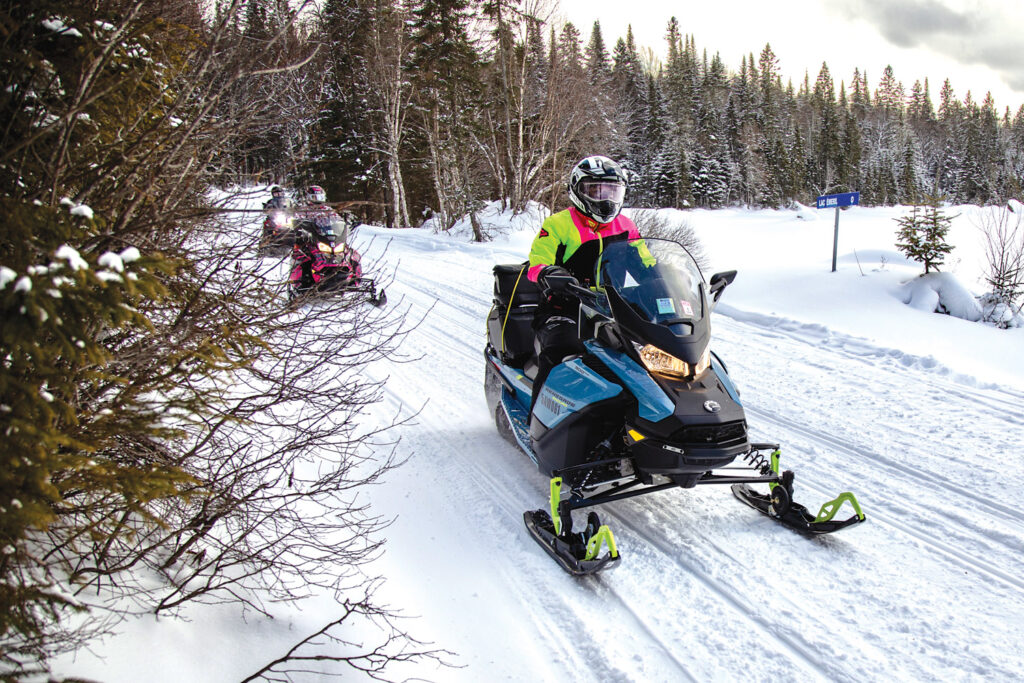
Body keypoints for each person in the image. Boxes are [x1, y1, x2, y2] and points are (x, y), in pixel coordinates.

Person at [526, 155, 640, 410]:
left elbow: (645, 264)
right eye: (595, 190)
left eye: (612, 190)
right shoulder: (558, 224)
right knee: (560, 351)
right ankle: (537, 422)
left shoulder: (625, 226)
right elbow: (536, 264)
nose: (605, 199)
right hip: (564, 308)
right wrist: (549, 274)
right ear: (578, 191)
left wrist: (670, 280)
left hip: (613, 310)